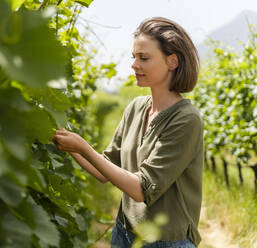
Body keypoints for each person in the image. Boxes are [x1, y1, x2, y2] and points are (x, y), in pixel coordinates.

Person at [52, 17, 203, 248]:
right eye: (134, 56)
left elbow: (142, 189)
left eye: (144, 58)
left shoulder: (186, 119)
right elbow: (104, 170)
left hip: (165, 243)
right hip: (124, 231)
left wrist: (82, 146)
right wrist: (62, 139)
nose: (134, 64)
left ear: (172, 61)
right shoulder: (136, 108)